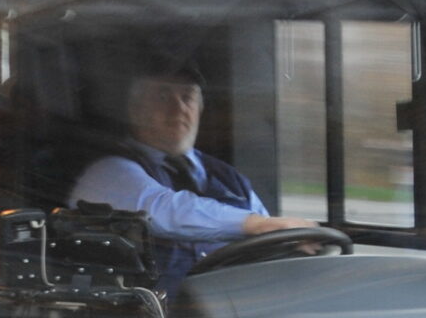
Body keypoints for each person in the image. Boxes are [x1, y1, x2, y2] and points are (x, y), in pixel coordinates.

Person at [70, 68, 319, 290]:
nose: (178, 108)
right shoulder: (107, 171)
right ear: (135, 110)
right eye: (163, 97)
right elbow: (164, 210)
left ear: (199, 109)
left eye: (187, 97)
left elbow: (270, 238)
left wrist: (293, 241)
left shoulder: (231, 178)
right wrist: (256, 225)